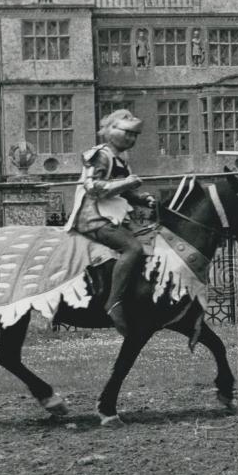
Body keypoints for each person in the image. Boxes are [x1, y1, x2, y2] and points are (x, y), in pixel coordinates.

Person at [64, 109, 155, 335]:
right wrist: (126, 184)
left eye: (135, 136)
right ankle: (114, 303)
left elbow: (122, 193)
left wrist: (141, 198)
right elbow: (93, 188)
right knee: (132, 248)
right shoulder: (101, 155)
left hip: (110, 214)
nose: (132, 139)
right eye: (128, 134)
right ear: (112, 131)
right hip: (92, 217)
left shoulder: (121, 159)